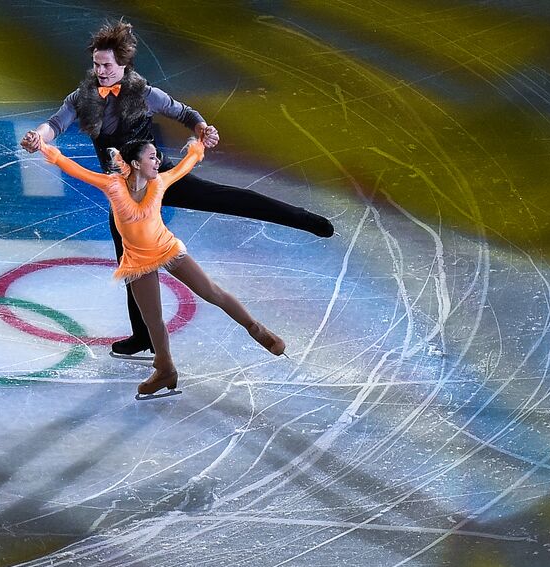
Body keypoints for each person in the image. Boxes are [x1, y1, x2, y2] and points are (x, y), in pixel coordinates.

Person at [20, 19, 331, 359]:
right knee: (131, 264)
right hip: (125, 192)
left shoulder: (146, 94)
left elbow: (186, 114)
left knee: (226, 198)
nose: (101, 71)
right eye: (96, 65)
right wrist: (38, 137)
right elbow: (54, 125)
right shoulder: (83, 98)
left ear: (123, 65)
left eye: (107, 65)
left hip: (158, 175)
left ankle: (302, 218)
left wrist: (203, 128)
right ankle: (143, 337)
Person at [39, 136, 285, 398]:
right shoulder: (113, 186)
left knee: (212, 292)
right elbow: (72, 167)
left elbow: (185, 165)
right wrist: (42, 146)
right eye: (152, 157)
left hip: (168, 249)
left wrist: (198, 145)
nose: (158, 162)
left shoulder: (159, 182)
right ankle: (165, 369)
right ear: (135, 163)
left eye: (157, 157)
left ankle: (258, 331)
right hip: (138, 261)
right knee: (153, 320)